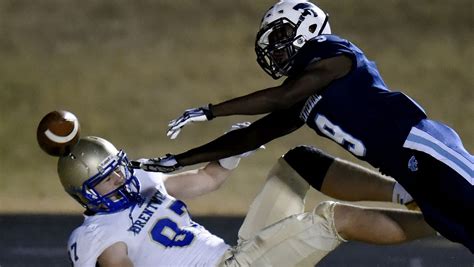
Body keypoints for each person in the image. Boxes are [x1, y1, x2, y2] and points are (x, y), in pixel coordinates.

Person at [134, 0, 473, 252]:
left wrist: (211, 110)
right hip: (409, 172)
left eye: (281, 33)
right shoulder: (303, 96)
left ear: (307, 25)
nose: (274, 45)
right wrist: (178, 159)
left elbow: (281, 98)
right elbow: (253, 135)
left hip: (422, 145)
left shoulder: (333, 53)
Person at [60, 136, 435, 266]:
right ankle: (449, 220)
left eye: (118, 168)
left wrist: (232, 151)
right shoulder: (96, 232)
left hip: (238, 255)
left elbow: (207, 180)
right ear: (88, 193)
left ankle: (405, 195)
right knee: (331, 219)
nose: (120, 178)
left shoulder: (142, 181)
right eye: (106, 178)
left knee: (298, 163)